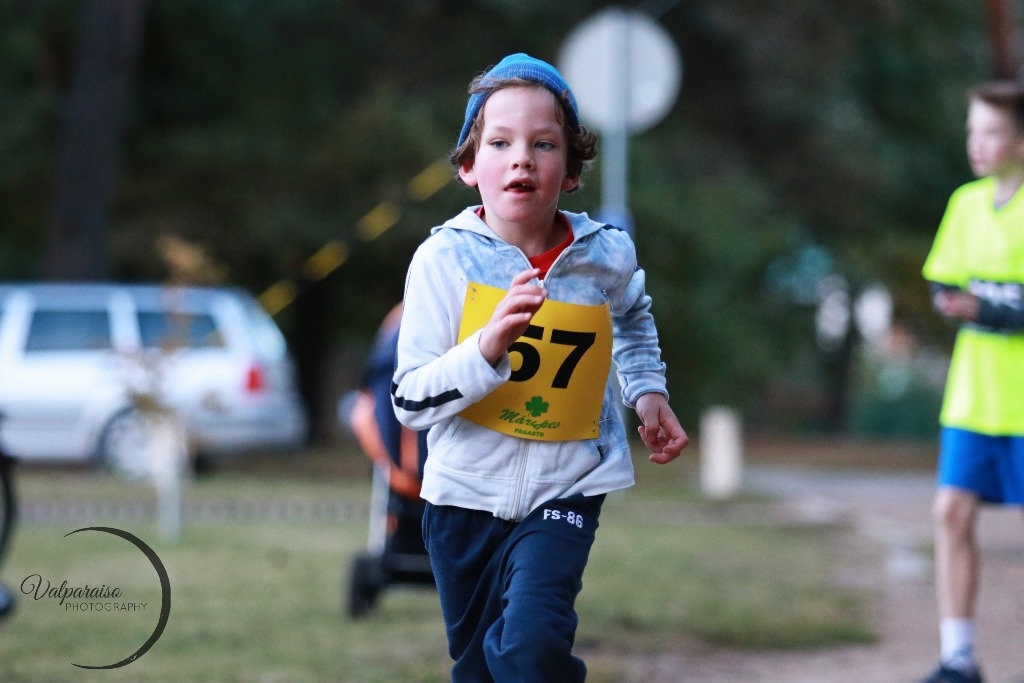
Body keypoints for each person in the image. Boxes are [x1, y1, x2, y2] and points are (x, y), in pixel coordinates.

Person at [391, 53, 689, 682]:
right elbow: (409, 401)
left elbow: (633, 317)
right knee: (477, 669)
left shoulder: (602, 255)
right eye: (500, 142)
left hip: (567, 488)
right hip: (462, 499)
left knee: (532, 650)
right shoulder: (443, 262)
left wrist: (647, 392)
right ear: (470, 167)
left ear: (572, 170)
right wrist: (487, 349)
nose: (522, 157)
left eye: (543, 143)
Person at [920, 79, 1024, 683]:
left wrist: (986, 311)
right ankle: (959, 657)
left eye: (992, 132)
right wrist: (948, 301)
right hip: (973, 398)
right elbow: (943, 281)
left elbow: (984, 305)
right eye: (972, 132)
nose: (977, 145)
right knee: (951, 513)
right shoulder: (966, 203)